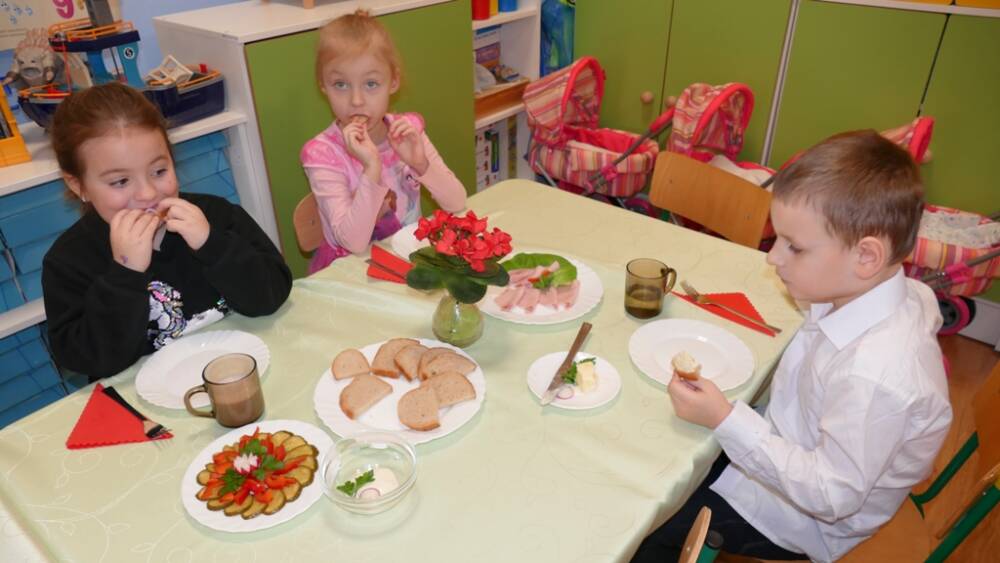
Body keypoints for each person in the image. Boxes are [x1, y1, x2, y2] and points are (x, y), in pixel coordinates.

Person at [632, 130, 953, 563]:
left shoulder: (874, 376)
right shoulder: (870, 289)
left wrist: (725, 419)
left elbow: (831, 495)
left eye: (794, 247)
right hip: (784, 437)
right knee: (656, 450)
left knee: (648, 519)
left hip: (796, 518)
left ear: (866, 257)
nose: (773, 258)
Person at [42, 82, 292, 381]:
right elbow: (91, 360)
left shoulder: (215, 216)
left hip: (239, 371)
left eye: (159, 171)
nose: (148, 193)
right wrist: (125, 274)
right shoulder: (69, 261)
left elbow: (272, 295)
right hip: (144, 396)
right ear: (78, 185)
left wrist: (212, 244)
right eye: (120, 181)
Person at [300, 10, 466, 273]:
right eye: (341, 84)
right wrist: (372, 168)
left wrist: (421, 165)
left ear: (393, 81)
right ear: (323, 85)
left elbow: (456, 202)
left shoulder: (407, 132)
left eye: (371, 84)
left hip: (407, 258)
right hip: (351, 272)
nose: (356, 101)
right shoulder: (322, 153)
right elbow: (353, 243)